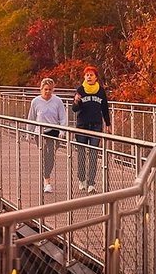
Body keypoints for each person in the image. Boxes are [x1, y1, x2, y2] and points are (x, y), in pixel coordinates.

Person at [72, 65, 111, 194]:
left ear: (96, 77)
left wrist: (108, 124)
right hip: (82, 125)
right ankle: (82, 179)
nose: (89, 77)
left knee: (94, 154)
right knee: (82, 153)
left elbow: (104, 108)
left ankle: (91, 183)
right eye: (87, 75)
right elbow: (74, 109)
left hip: (96, 126)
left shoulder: (100, 91)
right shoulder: (80, 90)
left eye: (91, 75)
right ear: (84, 77)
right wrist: (77, 102)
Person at [27, 77, 68, 193]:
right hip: (40, 132)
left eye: (50, 89)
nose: (48, 92)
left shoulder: (57, 101)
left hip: (53, 130)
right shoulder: (35, 102)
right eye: (45, 89)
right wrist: (28, 132)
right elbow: (31, 117)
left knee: (50, 155)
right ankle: (47, 181)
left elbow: (63, 117)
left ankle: (46, 178)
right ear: (41, 90)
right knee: (45, 154)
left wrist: (62, 131)